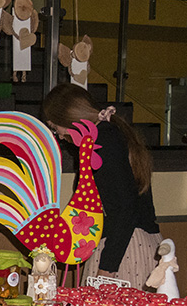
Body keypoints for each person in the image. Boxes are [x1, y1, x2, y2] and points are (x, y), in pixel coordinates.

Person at [42, 83, 162, 290]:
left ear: (70, 119)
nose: (59, 135)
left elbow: (125, 208)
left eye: (56, 127)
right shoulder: (109, 134)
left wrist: (106, 270)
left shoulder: (103, 141)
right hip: (130, 243)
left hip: (123, 249)